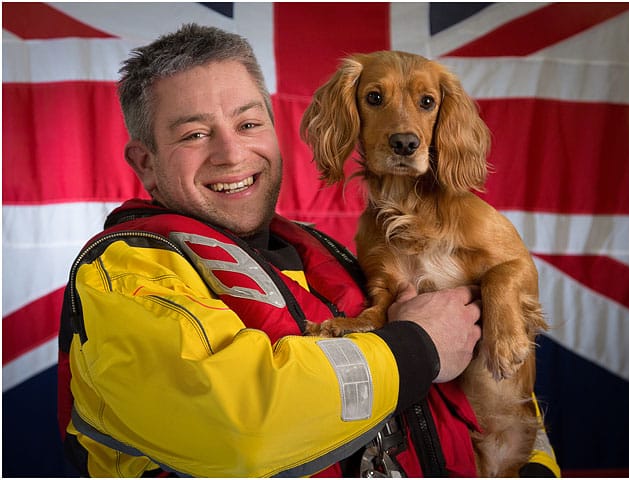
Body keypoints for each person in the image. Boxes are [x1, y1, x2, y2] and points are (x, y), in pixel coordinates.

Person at [57, 24, 559, 477]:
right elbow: (242, 429)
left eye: (248, 124)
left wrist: (533, 464)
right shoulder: (124, 273)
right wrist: (419, 346)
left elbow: (493, 381)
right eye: (195, 134)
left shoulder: (321, 255)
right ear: (145, 163)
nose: (232, 154)